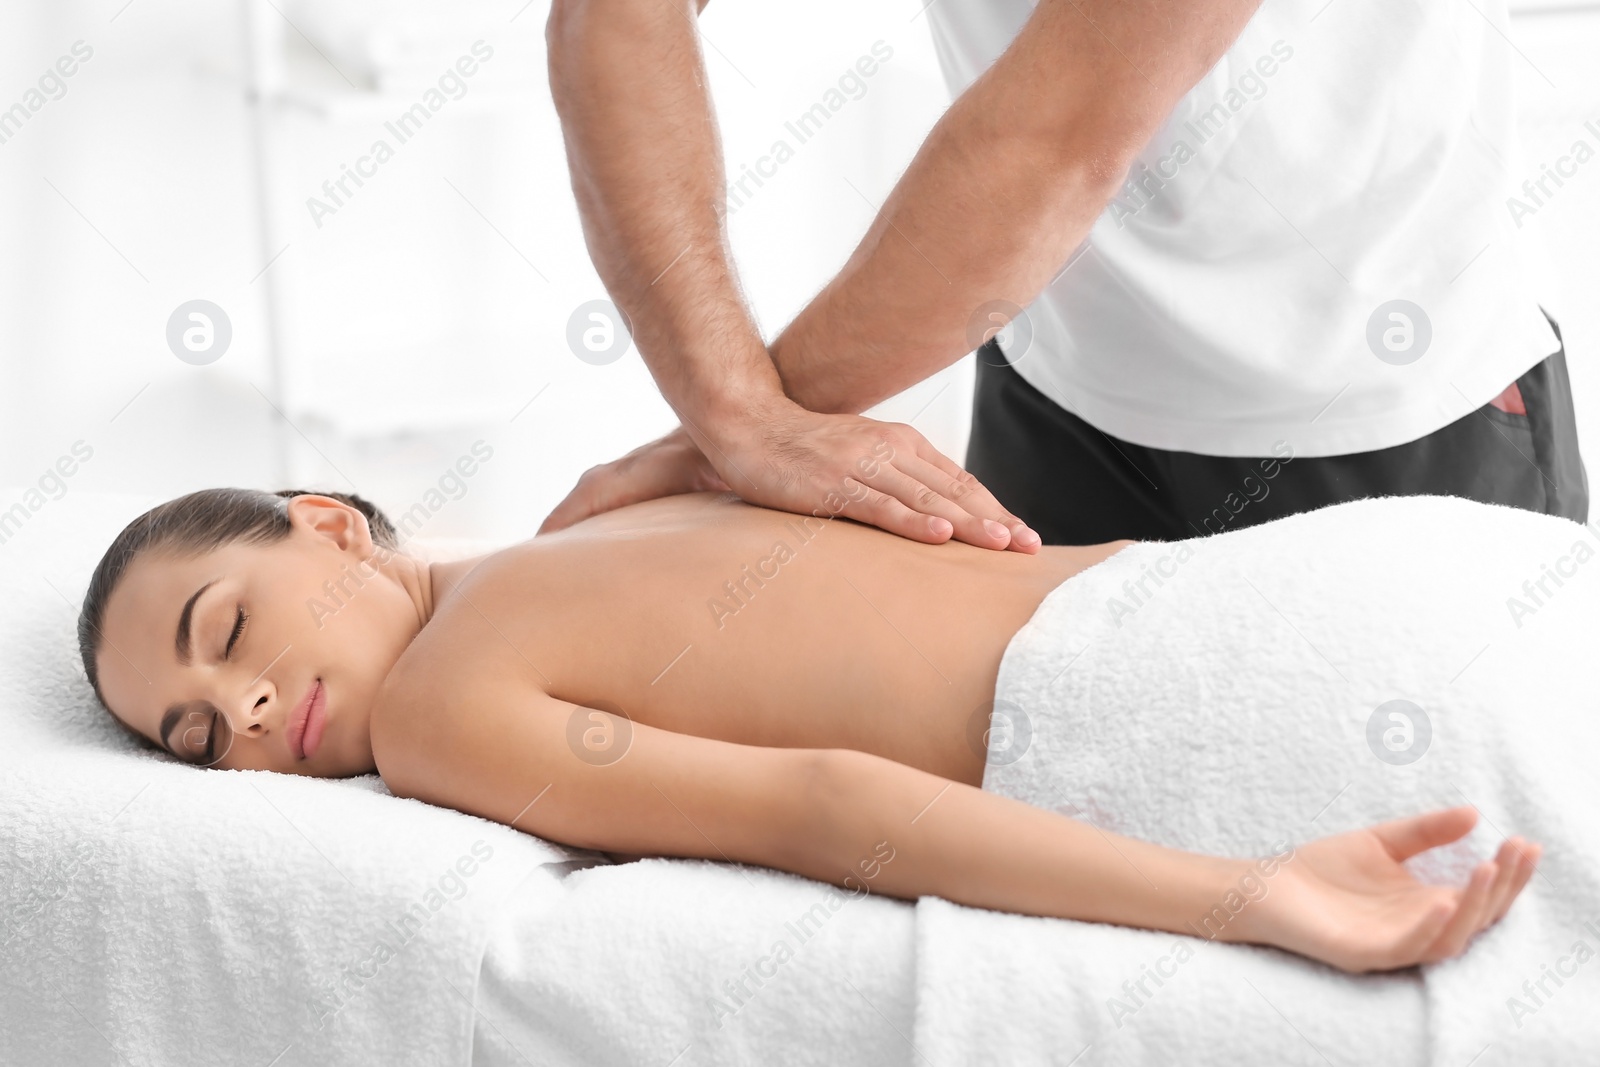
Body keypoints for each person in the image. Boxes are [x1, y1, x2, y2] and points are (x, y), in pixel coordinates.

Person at [79, 487, 1540, 974]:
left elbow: (832, 804)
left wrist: (1249, 892)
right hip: (1346, 564)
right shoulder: (614, 508)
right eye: (201, 736)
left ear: (325, 522)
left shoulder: (436, 714)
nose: (253, 708)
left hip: (1200, 682)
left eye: (231, 630)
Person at [538, 0, 1588, 550]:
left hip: (1374, 412)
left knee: (1432, 893)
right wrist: (732, 416)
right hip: (1058, 388)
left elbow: (1054, 140)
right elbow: (613, 13)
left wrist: (734, 435)